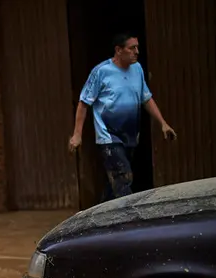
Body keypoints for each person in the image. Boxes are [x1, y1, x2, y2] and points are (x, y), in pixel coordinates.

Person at [69, 33, 177, 201]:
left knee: (115, 184)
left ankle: (101, 218)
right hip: (108, 137)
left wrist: (163, 123)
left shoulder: (137, 69)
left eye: (137, 47)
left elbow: (146, 98)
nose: (136, 52)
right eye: (132, 48)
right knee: (123, 177)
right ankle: (128, 220)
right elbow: (84, 103)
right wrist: (77, 134)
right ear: (118, 50)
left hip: (130, 135)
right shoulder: (101, 72)